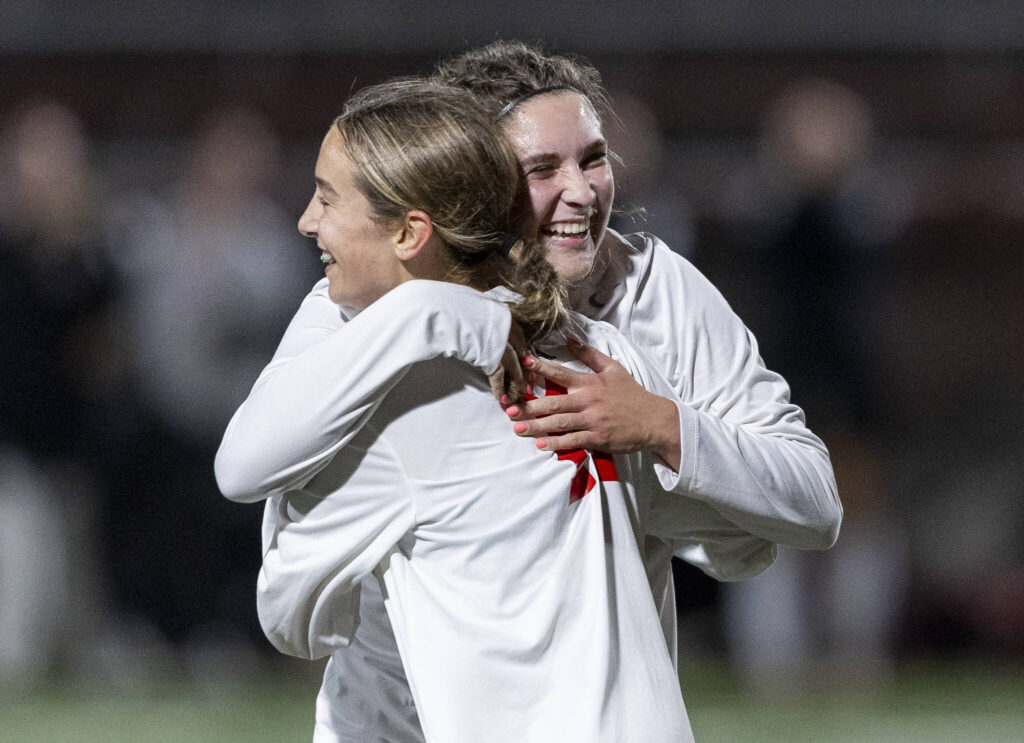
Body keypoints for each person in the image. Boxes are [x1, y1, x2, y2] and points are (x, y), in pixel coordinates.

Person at [217, 42, 841, 741]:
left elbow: (810, 502)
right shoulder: (360, 312)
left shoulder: (650, 302)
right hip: (387, 716)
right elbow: (250, 462)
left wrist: (663, 425)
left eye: (593, 158)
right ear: (470, 182)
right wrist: (452, 316)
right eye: (543, 168)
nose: (581, 190)